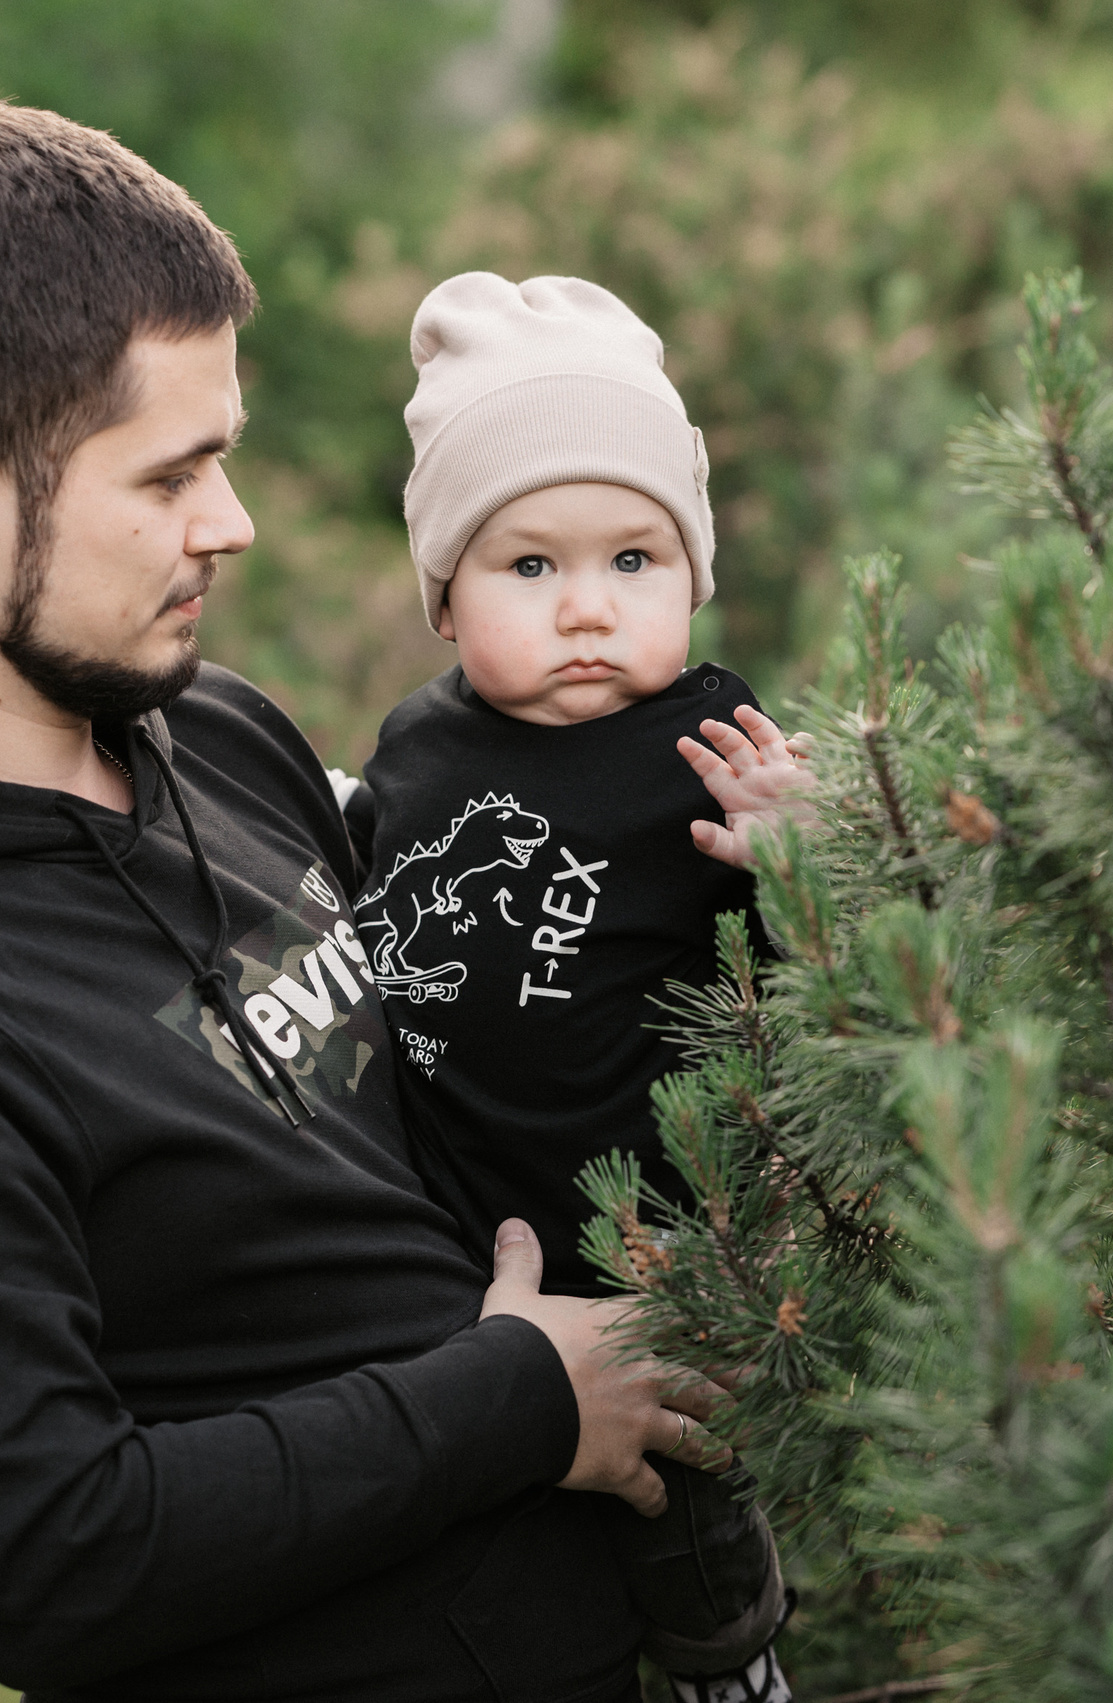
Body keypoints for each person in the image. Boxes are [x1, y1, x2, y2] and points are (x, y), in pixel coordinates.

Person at [0, 101, 727, 1703]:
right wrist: (521, 1403)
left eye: (225, 458)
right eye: (172, 474)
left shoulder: (217, 737)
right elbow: (55, 1558)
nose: (231, 523)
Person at [343, 273, 815, 1703]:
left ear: (694, 576)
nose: (589, 609)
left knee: (686, 1515)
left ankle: (734, 1664)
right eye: (530, 567)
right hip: (459, 1252)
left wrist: (802, 865)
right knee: (514, 1558)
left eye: (633, 559)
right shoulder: (415, 748)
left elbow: (815, 1000)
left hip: (654, 1250)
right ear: (445, 597)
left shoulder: (712, 746)